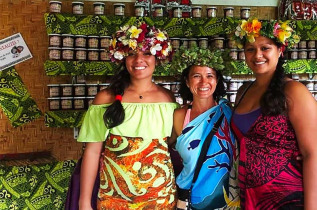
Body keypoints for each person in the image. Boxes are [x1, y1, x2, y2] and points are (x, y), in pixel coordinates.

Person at [77, 22, 178, 209]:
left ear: (158, 57)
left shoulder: (167, 99)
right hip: (114, 199)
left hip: (160, 198)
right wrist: (84, 201)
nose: (139, 59)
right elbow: (92, 151)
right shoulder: (105, 98)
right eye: (132, 54)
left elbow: (170, 145)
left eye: (147, 53)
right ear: (123, 58)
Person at [231, 18, 317, 209]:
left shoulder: (294, 91)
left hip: (287, 199)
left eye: (265, 48)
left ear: (280, 50)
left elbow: (313, 154)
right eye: (250, 49)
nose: (257, 55)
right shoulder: (242, 91)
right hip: (248, 198)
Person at [169, 47, 240, 209]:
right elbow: (162, 148)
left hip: (227, 198)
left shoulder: (230, 113)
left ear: (217, 81)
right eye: (196, 76)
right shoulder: (179, 116)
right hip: (191, 197)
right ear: (187, 82)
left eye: (209, 76)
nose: (203, 82)